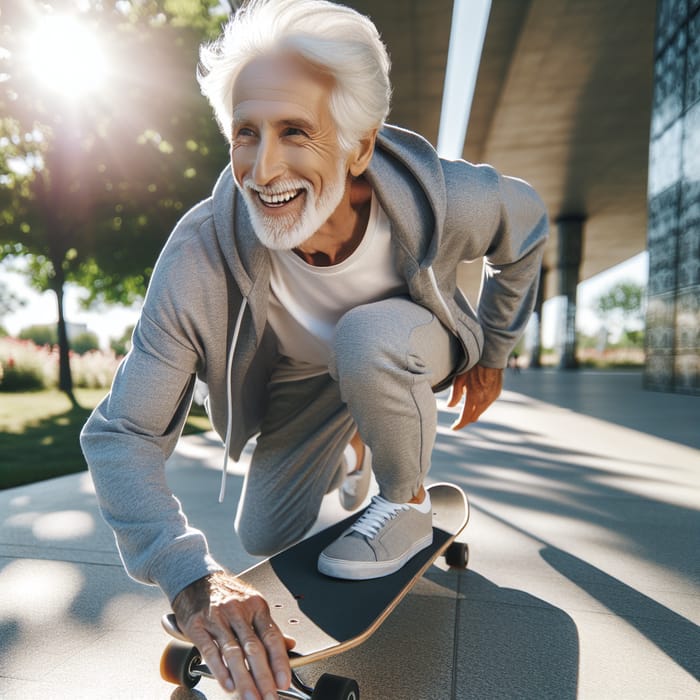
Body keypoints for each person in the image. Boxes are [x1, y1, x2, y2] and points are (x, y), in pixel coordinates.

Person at [80, 0, 548, 697]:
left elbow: (530, 225)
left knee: (369, 340)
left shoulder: (445, 197)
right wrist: (191, 575)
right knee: (267, 529)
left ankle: (406, 494)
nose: (264, 170)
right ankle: (361, 434)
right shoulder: (201, 252)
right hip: (308, 379)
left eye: (295, 131)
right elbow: (121, 435)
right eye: (246, 133)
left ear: (359, 145)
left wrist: (496, 349)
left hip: (412, 343)